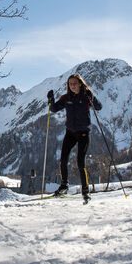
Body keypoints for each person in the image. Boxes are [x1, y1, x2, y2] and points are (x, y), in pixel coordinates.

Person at [47, 74, 102, 203]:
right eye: (70, 84)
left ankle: (85, 191)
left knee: (80, 162)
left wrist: (92, 96)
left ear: (80, 84)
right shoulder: (66, 98)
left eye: (75, 83)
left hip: (83, 133)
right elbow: (54, 109)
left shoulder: (86, 96)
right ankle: (64, 186)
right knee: (63, 159)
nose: (72, 86)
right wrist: (51, 99)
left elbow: (99, 107)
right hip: (70, 133)